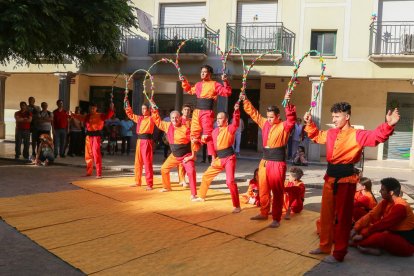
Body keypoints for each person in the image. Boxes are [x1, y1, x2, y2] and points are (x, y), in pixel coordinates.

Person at [304, 102, 400, 263]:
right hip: (330, 178)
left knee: (343, 218)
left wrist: (388, 125)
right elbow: (315, 135)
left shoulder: (358, 134)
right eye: (333, 116)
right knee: (326, 215)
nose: (333, 120)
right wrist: (309, 123)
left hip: (346, 181)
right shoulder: (331, 133)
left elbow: (376, 136)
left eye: (337, 116)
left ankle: (339, 253)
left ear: (347, 117)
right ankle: (325, 246)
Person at [240, 92, 296, 228]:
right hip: (264, 161)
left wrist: (287, 104)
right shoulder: (264, 122)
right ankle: (264, 212)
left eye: (272, 117)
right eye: (268, 116)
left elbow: (291, 120)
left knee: (277, 192)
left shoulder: (284, 126)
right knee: (263, 189)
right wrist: (245, 100)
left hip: (277, 162)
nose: (269, 119)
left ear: (278, 117)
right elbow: (254, 113)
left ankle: (276, 218)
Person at [193, 103, 242, 213]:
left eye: (221, 118)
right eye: (218, 118)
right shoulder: (214, 131)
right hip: (219, 159)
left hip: (229, 158)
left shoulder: (230, 128)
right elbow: (209, 142)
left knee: (230, 182)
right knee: (206, 176)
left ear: (226, 120)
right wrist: (212, 157)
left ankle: (237, 206)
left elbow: (236, 122)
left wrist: (236, 111)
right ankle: (201, 196)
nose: (218, 120)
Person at [350, 177, 414, 257]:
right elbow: (371, 215)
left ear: (391, 192)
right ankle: (373, 247)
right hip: (390, 233)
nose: (380, 191)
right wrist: (355, 228)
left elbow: (384, 224)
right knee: (366, 229)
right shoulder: (385, 202)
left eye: (382, 190)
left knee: (381, 237)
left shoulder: (400, 206)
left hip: (407, 244)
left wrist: (363, 235)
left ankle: (355, 243)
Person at [181, 65, 232, 156]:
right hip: (196, 112)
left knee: (208, 134)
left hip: (207, 112)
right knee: (193, 134)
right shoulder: (198, 84)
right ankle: (193, 155)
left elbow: (227, 92)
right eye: (201, 72)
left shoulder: (214, 84)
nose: (202, 73)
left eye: (205, 72)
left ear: (210, 74)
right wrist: (184, 81)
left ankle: (213, 158)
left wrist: (225, 81)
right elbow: (189, 90)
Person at [151, 108, 197, 199]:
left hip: (186, 155)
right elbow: (158, 121)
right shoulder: (167, 125)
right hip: (175, 155)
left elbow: (193, 142)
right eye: (172, 118)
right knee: (164, 169)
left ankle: (193, 194)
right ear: (170, 118)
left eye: (176, 117)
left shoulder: (185, 128)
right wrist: (154, 110)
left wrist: (193, 155)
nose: (174, 120)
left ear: (180, 118)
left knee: (191, 172)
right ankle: (166, 187)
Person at [70, 102, 114, 178]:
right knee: (88, 155)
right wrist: (72, 115)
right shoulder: (87, 116)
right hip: (88, 137)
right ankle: (89, 172)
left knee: (96, 154)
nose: (92, 109)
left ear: (96, 109)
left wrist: (111, 108)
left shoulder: (100, 115)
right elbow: (80, 117)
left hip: (96, 137)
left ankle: (98, 173)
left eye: (93, 108)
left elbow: (108, 115)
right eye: (90, 108)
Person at [124, 100, 155, 190]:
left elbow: (156, 112)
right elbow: (130, 114)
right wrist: (127, 103)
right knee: (138, 162)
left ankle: (149, 184)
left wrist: (153, 104)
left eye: (145, 109)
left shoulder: (152, 118)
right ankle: (137, 181)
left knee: (147, 162)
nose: (143, 110)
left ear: (149, 110)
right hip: (139, 141)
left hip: (147, 141)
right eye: (142, 109)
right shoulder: (140, 118)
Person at [178, 104, 192, 187]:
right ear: (182, 111)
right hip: (180, 144)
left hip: (189, 144)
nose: (187, 111)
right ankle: (182, 179)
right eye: (185, 109)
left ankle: (182, 179)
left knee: (187, 161)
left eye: (188, 110)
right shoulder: (179, 120)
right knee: (180, 163)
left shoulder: (191, 121)